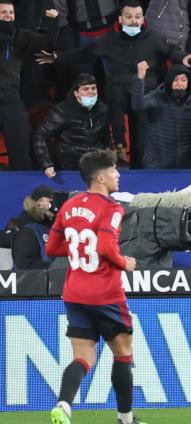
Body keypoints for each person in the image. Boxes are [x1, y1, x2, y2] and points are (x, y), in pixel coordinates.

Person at [36, 0, 191, 168]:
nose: (134, 21)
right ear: (120, 19)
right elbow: (83, 54)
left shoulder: (154, 38)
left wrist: (183, 57)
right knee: (115, 90)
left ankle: (138, 169)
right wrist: (57, 57)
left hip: (144, 96)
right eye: (129, 17)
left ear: (143, 19)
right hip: (118, 95)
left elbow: (171, 51)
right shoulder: (108, 40)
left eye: (137, 17)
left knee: (140, 138)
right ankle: (119, 143)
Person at [46, 150, 142, 424]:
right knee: (123, 354)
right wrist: (125, 263)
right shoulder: (112, 207)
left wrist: (77, 248)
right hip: (105, 294)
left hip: (75, 293)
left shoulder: (69, 206)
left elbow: (52, 247)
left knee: (83, 358)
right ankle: (125, 420)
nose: (118, 175)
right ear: (100, 177)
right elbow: (104, 246)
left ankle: (64, 405)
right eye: (113, 171)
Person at [0, 1, 58, 170]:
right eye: (3, 12)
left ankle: (22, 191)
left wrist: (53, 22)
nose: (8, 16)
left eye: (11, 12)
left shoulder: (20, 36)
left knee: (21, 154)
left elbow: (48, 43)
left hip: (12, 102)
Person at [132, 62, 191, 169]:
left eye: (183, 80)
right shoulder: (156, 97)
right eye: (176, 80)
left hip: (184, 165)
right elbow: (138, 105)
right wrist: (140, 78)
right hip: (155, 165)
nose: (180, 84)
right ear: (169, 81)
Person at [33, 73, 111, 178]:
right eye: (86, 89)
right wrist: (47, 164)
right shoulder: (62, 111)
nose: (91, 92)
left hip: (95, 167)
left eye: (93, 88)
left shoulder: (103, 110)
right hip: (68, 168)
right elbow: (40, 136)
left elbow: (106, 140)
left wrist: (109, 163)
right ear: (76, 93)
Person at [10, 185, 54, 270]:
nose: (54, 205)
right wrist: (57, 268)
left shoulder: (52, 228)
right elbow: (25, 264)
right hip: (35, 281)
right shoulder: (28, 231)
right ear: (39, 204)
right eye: (50, 202)